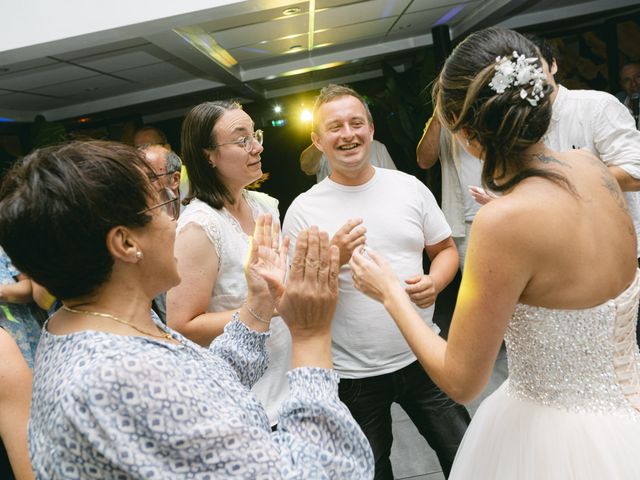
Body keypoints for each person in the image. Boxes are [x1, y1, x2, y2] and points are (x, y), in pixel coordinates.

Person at [350, 27, 640, 479]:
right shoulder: (589, 166)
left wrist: (389, 292)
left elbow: (462, 381)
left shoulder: (502, 223)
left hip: (558, 440)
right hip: (628, 411)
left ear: (462, 129)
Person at [0, 140, 374, 479]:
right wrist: (311, 336)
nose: (174, 219)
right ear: (126, 243)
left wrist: (259, 303)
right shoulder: (119, 376)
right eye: (163, 204)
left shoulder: (85, 324)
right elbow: (325, 470)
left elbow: (201, 384)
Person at [283, 84, 470, 479]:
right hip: (354, 375)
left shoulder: (408, 187)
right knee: (370, 471)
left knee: (468, 457)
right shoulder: (304, 209)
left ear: (371, 129)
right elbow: (293, 298)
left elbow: (445, 250)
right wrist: (334, 259)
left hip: (424, 355)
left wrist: (435, 282)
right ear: (318, 140)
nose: (347, 134)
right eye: (334, 127)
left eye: (356, 123)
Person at [167, 101, 290, 425]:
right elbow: (183, 326)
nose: (258, 147)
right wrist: (265, 308)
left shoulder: (263, 205)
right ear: (208, 155)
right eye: (242, 140)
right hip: (250, 399)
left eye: (256, 135)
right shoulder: (200, 227)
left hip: (288, 380)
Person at [417, 116, 482, 270]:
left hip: (503, 211)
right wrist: (438, 117)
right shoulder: (442, 123)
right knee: (474, 288)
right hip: (464, 223)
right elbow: (424, 161)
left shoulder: (498, 108)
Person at [299, 139, 396, 182]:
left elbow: (394, 183)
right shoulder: (324, 149)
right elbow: (307, 167)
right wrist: (320, 137)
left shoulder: (376, 147)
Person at [618, 62, 640, 127]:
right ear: (621, 84)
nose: (633, 84)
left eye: (638, 77)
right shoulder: (617, 103)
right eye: (627, 80)